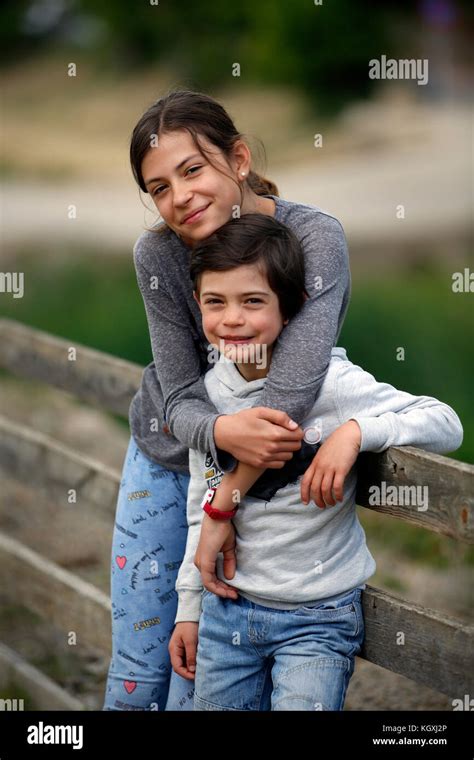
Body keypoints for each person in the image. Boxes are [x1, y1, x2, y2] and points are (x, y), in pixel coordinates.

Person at [103, 89, 352, 711]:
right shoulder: (157, 253)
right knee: (141, 660)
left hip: (264, 471)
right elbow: (179, 395)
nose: (179, 196)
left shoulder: (312, 238)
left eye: (192, 170)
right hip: (167, 460)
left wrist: (225, 500)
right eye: (158, 187)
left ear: (238, 158)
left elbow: (291, 395)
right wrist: (219, 445)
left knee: (212, 672)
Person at [169, 213, 463, 712]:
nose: (233, 318)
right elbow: (205, 499)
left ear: (293, 308)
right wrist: (189, 607)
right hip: (228, 611)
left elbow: (446, 422)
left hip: (318, 618)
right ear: (197, 304)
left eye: (253, 301)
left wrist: (357, 432)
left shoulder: (332, 383)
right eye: (216, 302)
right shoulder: (211, 396)